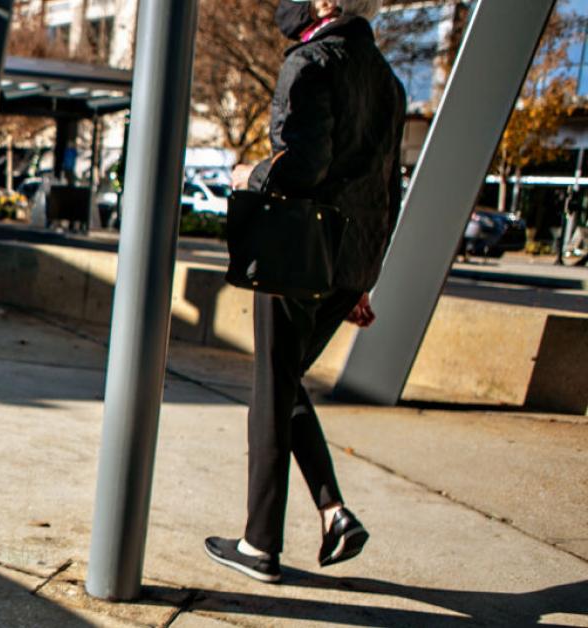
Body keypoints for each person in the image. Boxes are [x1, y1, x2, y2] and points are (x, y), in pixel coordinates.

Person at [205, 0, 406, 584]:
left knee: (272, 391)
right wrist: (363, 276)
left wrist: (249, 175)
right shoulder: (387, 80)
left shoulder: (311, 62)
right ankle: (334, 512)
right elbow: (386, 186)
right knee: (285, 380)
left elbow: (301, 166)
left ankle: (259, 544)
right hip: (349, 262)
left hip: (300, 254)